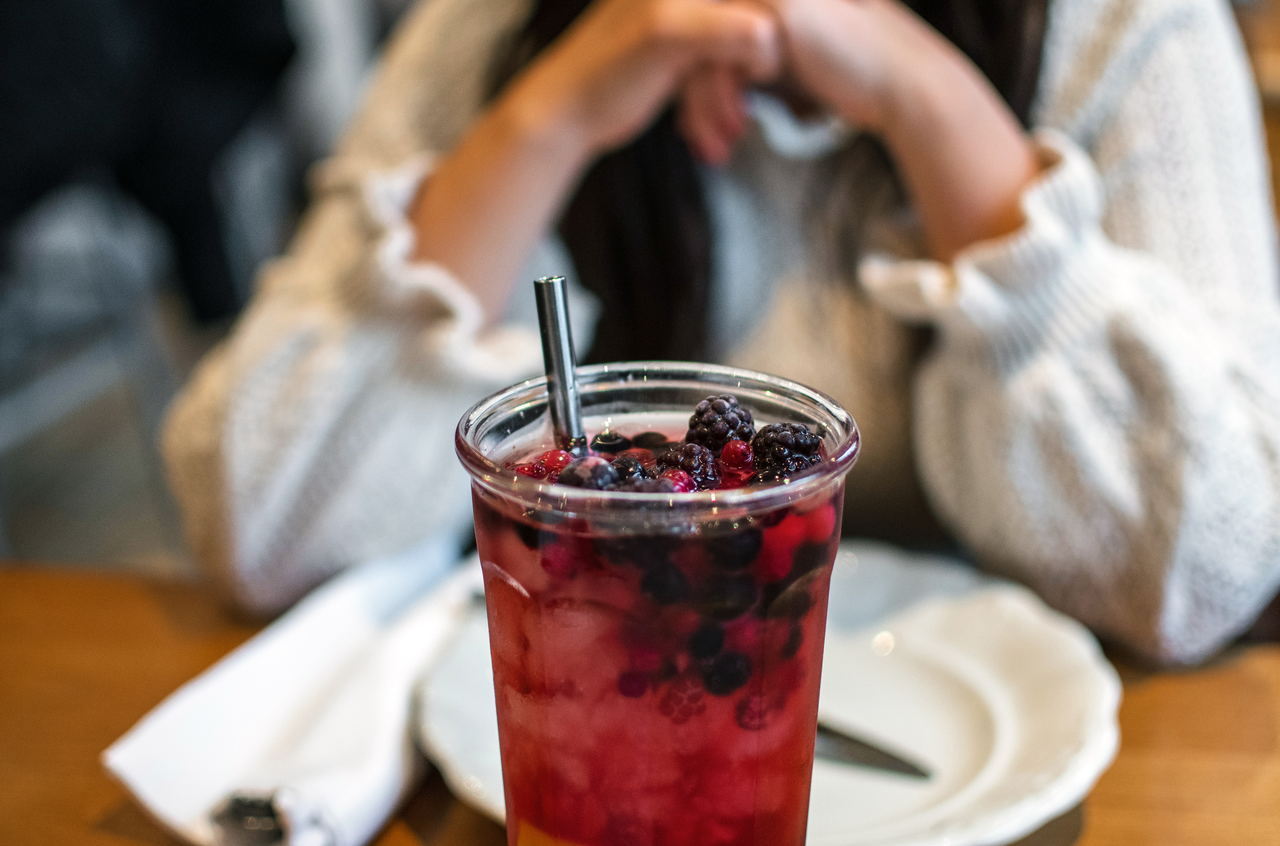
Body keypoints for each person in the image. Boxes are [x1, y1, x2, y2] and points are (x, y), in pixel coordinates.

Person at [163, 0, 1280, 664]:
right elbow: (263, 522)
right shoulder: (500, 25)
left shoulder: (1118, 29)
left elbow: (1202, 573)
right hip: (581, 710)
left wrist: (926, 96)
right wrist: (545, 116)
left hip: (987, 727)